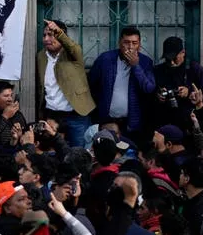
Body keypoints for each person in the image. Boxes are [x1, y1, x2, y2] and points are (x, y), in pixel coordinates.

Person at [36, 19, 95, 147]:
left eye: (51, 35)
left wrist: (58, 32)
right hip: (52, 115)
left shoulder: (72, 54)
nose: (46, 39)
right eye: (44, 35)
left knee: (78, 154)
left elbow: (74, 48)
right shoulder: (41, 56)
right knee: (51, 152)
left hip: (76, 115)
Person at [88, 26, 156, 136]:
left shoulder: (145, 62)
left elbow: (149, 88)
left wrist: (136, 66)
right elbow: (91, 84)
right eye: (126, 42)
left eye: (134, 43)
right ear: (120, 43)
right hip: (106, 120)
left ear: (139, 45)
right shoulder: (105, 59)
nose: (130, 47)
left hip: (132, 123)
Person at [153, 36, 203, 128]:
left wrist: (190, 93)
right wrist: (158, 95)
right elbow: (148, 93)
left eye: (174, 58)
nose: (172, 62)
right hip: (165, 120)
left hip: (189, 121)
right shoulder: (159, 70)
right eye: (168, 59)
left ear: (183, 53)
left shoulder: (194, 69)